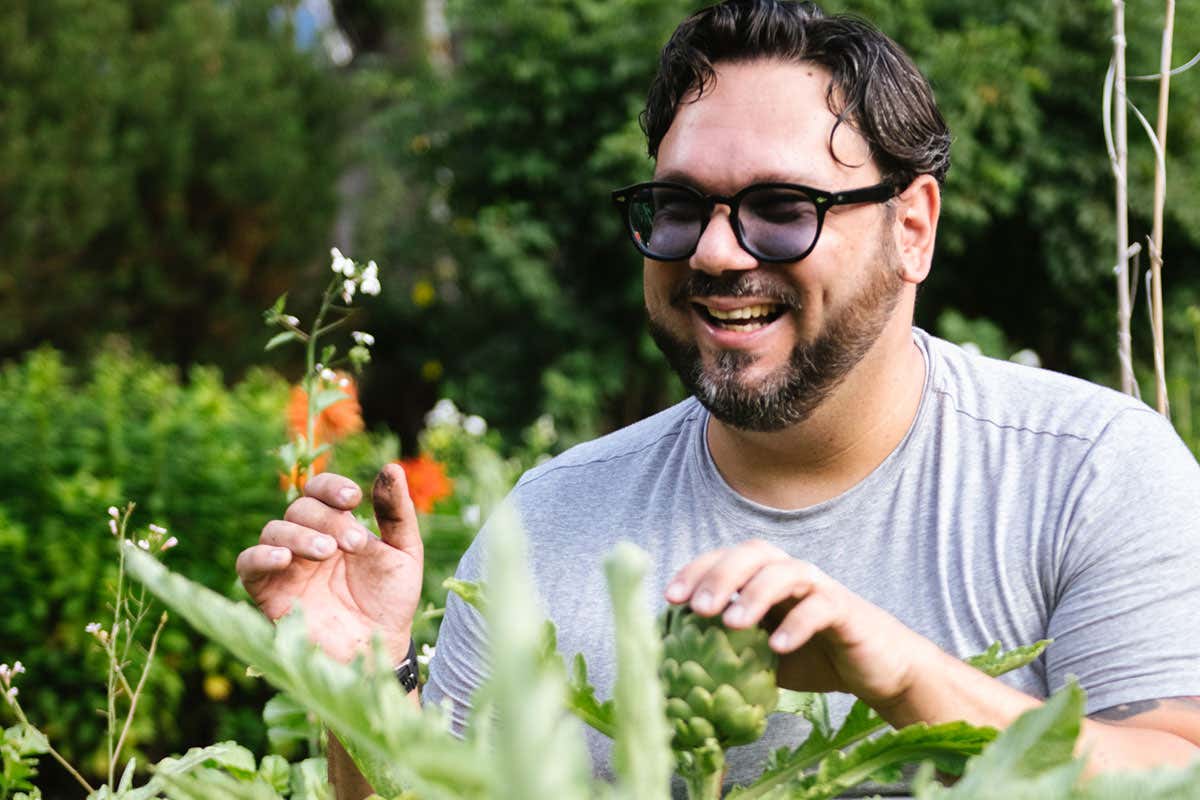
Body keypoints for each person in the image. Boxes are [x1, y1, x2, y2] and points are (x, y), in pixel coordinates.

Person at [235, 1, 1200, 796]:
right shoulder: (552, 520)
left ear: (912, 228)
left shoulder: (1092, 471)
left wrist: (907, 679)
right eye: (684, 206)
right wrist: (362, 682)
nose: (714, 251)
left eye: (784, 209)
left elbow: (1176, 768)